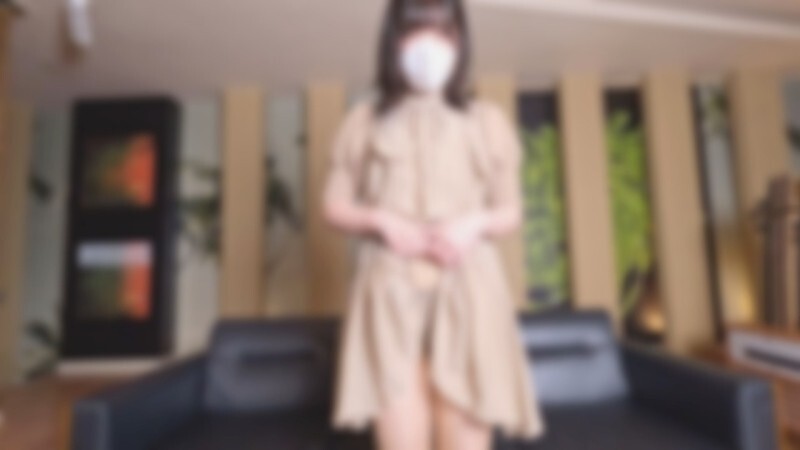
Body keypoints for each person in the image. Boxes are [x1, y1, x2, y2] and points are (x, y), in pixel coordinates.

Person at [322, 0, 546, 448]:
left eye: (444, 33)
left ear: (460, 43)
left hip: (470, 291)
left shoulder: (487, 121)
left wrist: (474, 223)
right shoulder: (363, 121)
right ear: (393, 41)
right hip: (387, 294)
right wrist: (380, 219)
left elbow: (510, 211)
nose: (429, 46)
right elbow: (333, 205)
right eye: (415, 31)